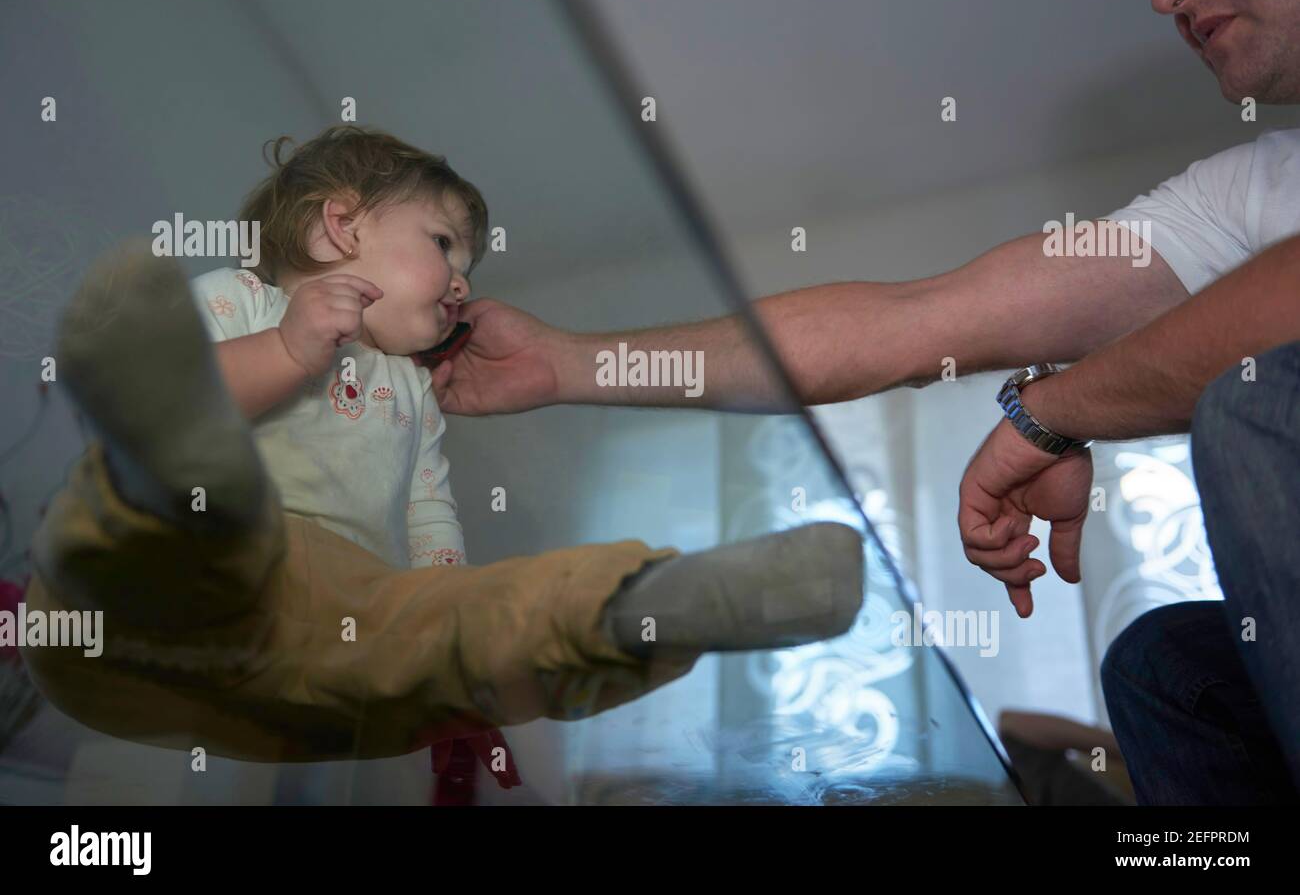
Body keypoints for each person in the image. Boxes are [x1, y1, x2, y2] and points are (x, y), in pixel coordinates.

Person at [430, 0, 1300, 803]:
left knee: (1251, 410)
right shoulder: (1247, 194)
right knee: (1165, 664)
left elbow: (1279, 307)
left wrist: (1050, 410)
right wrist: (568, 363)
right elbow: (911, 324)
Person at [21, 125, 864, 764]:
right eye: (444, 246)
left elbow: (428, 505)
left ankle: (657, 605)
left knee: (432, 636)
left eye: (469, 267)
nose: (463, 281)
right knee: (169, 477)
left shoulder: (412, 389)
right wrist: (286, 351)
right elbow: (180, 399)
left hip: (298, 641)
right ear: (337, 228)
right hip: (137, 609)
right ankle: (140, 483)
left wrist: (437, 584)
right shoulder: (242, 301)